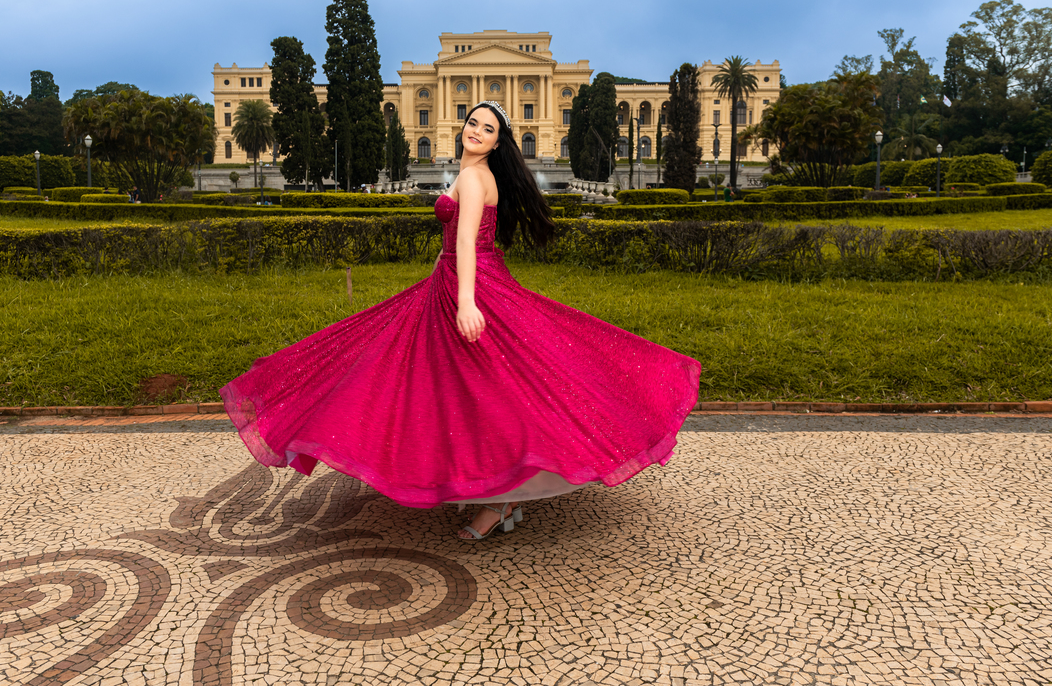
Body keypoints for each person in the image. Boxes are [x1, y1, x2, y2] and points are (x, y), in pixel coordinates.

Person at [220, 101, 700, 540]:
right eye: (473, 123)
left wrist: (466, 302)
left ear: (497, 141)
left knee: (485, 388)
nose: (475, 131)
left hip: (469, 287)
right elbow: (459, 241)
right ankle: (495, 490)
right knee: (478, 387)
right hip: (458, 281)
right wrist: (440, 276)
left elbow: (468, 241)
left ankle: (500, 498)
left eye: (487, 129)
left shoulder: (473, 178)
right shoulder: (476, 174)